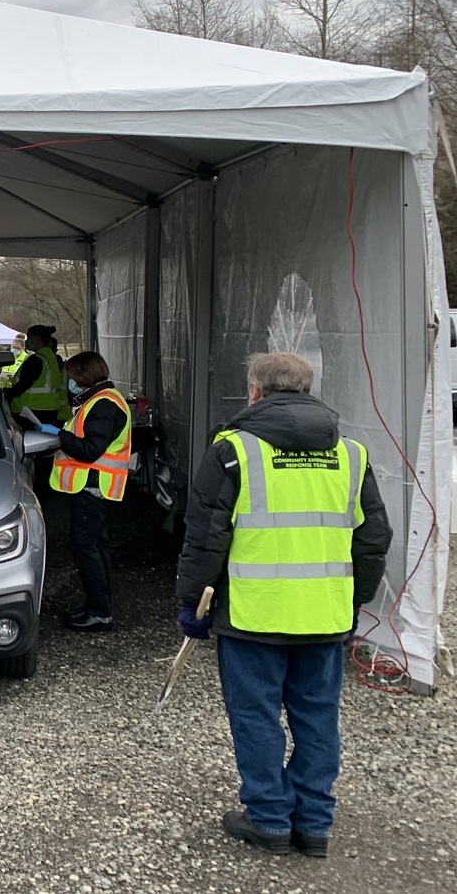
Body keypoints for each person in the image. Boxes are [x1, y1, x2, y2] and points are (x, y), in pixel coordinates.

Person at [175, 352, 391, 858]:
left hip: (255, 614)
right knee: (318, 718)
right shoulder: (351, 453)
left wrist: (193, 603)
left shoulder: (233, 451)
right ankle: (314, 824)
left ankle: (270, 817)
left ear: (254, 391)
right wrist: (354, 599)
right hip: (325, 616)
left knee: (255, 717)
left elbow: (207, 537)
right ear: (308, 389)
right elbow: (373, 538)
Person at [36, 351, 130, 632]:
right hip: (93, 486)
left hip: (92, 486)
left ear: (84, 376)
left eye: (73, 377)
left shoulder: (102, 404)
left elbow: (89, 450)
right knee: (95, 549)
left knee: (87, 549)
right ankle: (96, 608)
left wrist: (58, 435)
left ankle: (99, 612)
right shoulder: (101, 400)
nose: (70, 382)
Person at [4, 325, 68, 424]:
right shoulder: (55, 358)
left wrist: (7, 395)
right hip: (53, 409)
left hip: (30, 410)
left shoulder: (36, 360)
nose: (27, 341)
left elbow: (23, 385)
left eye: (29, 338)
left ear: (38, 338)